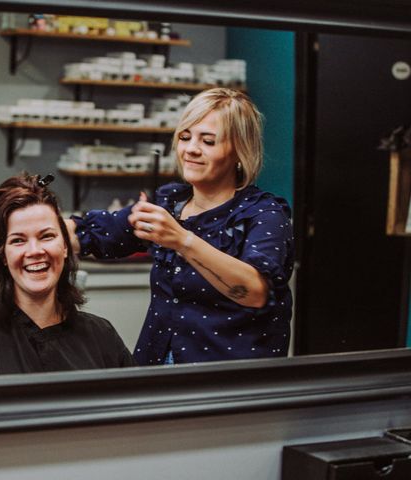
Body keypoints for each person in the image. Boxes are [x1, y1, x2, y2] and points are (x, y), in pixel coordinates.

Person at [65, 87, 294, 365]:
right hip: (158, 371)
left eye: (208, 141)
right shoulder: (169, 202)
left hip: (229, 382)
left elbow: (255, 292)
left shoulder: (263, 213)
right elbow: (93, 232)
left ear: (239, 152)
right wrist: (37, 226)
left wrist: (182, 241)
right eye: (185, 137)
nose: (191, 150)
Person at [0, 174, 137, 377]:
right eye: (18, 240)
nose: (35, 250)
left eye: (46, 236)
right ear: (3, 256)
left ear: (65, 246)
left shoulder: (101, 336)